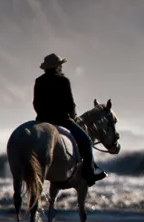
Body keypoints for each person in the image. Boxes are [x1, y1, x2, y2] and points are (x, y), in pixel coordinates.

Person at [33, 53, 106, 186]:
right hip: (61, 120)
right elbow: (70, 103)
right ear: (57, 67)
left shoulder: (39, 81)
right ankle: (90, 173)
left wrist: (42, 116)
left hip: (42, 121)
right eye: (60, 65)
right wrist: (73, 117)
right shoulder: (63, 81)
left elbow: (36, 103)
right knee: (86, 141)